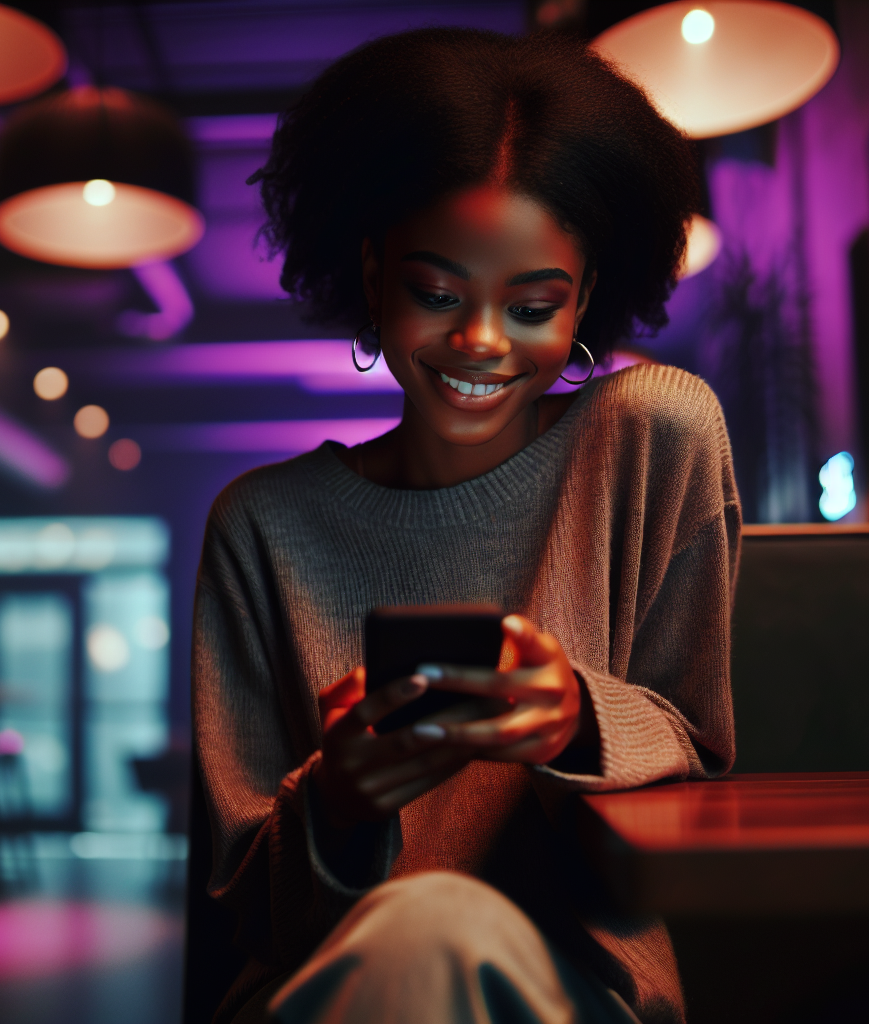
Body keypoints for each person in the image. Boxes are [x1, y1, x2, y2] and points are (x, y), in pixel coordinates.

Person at [194, 27, 739, 1024]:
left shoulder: (656, 434)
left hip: (573, 986)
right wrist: (341, 799)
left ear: (584, 298)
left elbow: (700, 756)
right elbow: (244, 910)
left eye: (533, 305)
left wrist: (575, 715)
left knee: (446, 928)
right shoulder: (261, 526)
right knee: (422, 930)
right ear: (370, 272)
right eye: (436, 293)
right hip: (330, 987)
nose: (481, 342)